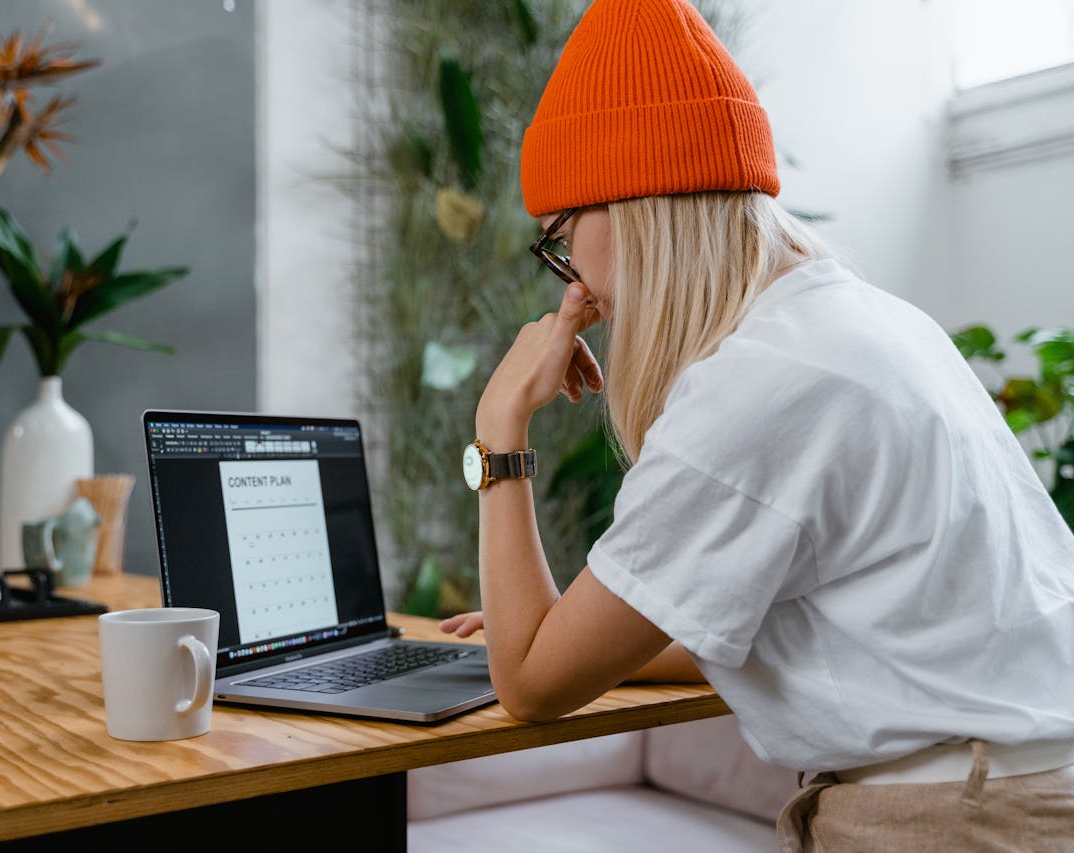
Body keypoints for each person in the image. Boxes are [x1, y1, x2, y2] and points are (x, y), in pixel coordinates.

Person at [441, 0, 1074, 850]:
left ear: (621, 211)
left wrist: (498, 425)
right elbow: (778, 624)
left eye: (557, 239)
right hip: (1012, 786)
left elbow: (528, 683)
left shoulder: (754, 389)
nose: (573, 282)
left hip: (954, 816)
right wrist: (582, 622)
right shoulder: (861, 324)